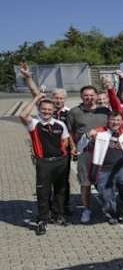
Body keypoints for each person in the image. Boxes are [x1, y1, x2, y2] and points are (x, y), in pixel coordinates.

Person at [19, 94, 71, 234]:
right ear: (39, 110)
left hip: (61, 161)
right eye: (43, 109)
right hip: (44, 163)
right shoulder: (34, 124)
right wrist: (36, 99)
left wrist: (63, 155)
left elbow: (65, 140)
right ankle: (43, 219)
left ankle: (58, 215)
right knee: (43, 192)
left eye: (49, 109)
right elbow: (23, 114)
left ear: (54, 110)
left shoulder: (60, 124)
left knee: (60, 190)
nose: (46, 112)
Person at [86, 112, 123, 225]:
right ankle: (112, 214)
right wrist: (87, 136)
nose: (115, 122)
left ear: (121, 122)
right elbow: (82, 147)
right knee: (106, 195)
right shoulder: (98, 133)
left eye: (118, 120)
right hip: (104, 169)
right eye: (112, 120)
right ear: (108, 120)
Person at [68, 85, 112, 223]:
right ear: (81, 97)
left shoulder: (105, 111)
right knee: (85, 183)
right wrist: (73, 146)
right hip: (85, 153)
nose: (89, 98)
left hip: (103, 153)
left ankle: (108, 208)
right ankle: (86, 209)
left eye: (91, 95)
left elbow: (112, 127)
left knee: (105, 182)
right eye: (86, 95)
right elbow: (70, 132)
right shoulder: (74, 112)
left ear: (96, 96)